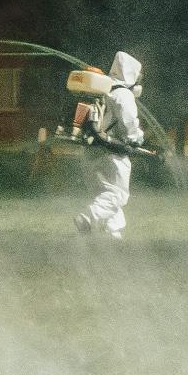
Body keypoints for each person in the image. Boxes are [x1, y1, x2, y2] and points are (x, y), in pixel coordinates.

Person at [74, 52, 145, 239]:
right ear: (131, 74)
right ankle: (88, 217)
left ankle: (113, 236)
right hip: (112, 152)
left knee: (104, 193)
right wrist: (136, 137)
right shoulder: (122, 93)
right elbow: (129, 122)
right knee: (117, 195)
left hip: (91, 150)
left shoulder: (102, 88)